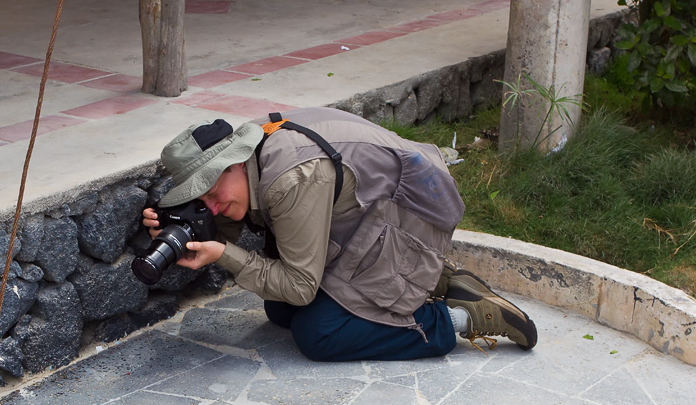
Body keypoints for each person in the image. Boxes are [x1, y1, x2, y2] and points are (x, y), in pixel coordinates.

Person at [142, 106, 537, 362]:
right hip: (368, 221)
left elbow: (300, 286)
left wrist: (223, 254)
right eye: (200, 200)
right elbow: (236, 220)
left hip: (410, 221)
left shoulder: (290, 178)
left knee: (320, 333)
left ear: (235, 162)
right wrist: (182, 225)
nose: (212, 205)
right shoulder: (261, 155)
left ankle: (457, 317)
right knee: (279, 310)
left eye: (212, 192)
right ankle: (440, 279)